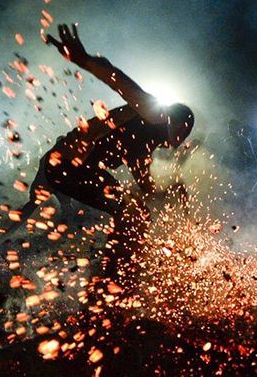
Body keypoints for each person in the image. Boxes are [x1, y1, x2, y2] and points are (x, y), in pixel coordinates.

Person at [21, 24, 194, 283]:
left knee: (135, 212)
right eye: (183, 134)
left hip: (69, 165)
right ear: (177, 124)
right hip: (67, 165)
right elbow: (119, 80)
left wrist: (167, 193)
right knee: (134, 214)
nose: (179, 143)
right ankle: (110, 285)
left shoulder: (146, 137)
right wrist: (84, 60)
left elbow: (143, 182)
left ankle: (109, 278)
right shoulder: (155, 114)